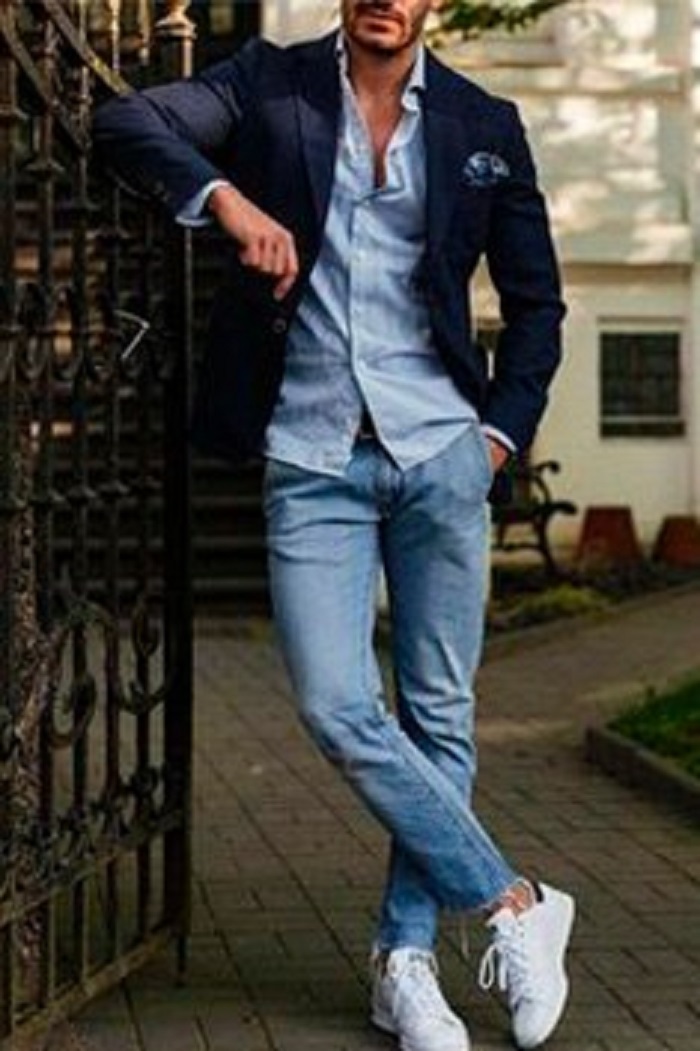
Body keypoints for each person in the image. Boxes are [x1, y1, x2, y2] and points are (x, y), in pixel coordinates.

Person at [93, 3, 574, 1049]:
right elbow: (124, 121)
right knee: (337, 704)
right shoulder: (268, 85)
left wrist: (495, 439)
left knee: (440, 713)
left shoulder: (483, 122)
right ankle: (514, 900)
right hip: (313, 454)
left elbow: (537, 305)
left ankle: (404, 963)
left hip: (440, 449)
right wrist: (226, 201)